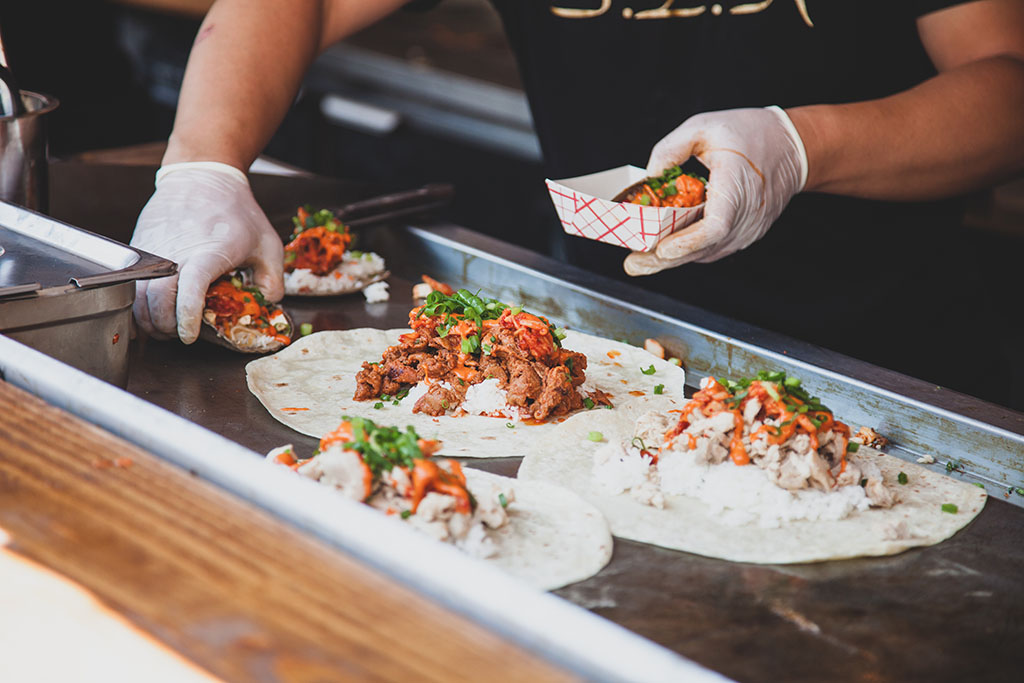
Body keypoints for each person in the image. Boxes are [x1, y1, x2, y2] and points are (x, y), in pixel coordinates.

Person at [130, 0, 1024, 403]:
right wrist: (204, 166)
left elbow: (1007, 82)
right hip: (602, 342)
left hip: (889, 360)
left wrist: (801, 147)